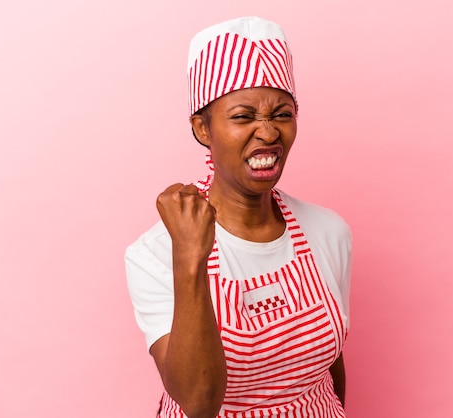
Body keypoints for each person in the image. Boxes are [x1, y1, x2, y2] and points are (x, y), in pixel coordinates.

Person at [125, 16, 352, 418]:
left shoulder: (328, 230)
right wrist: (190, 257)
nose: (268, 133)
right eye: (244, 116)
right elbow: (198, 402)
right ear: (202, 128)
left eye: (282, 114)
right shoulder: (155, 253)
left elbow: (329, 365)